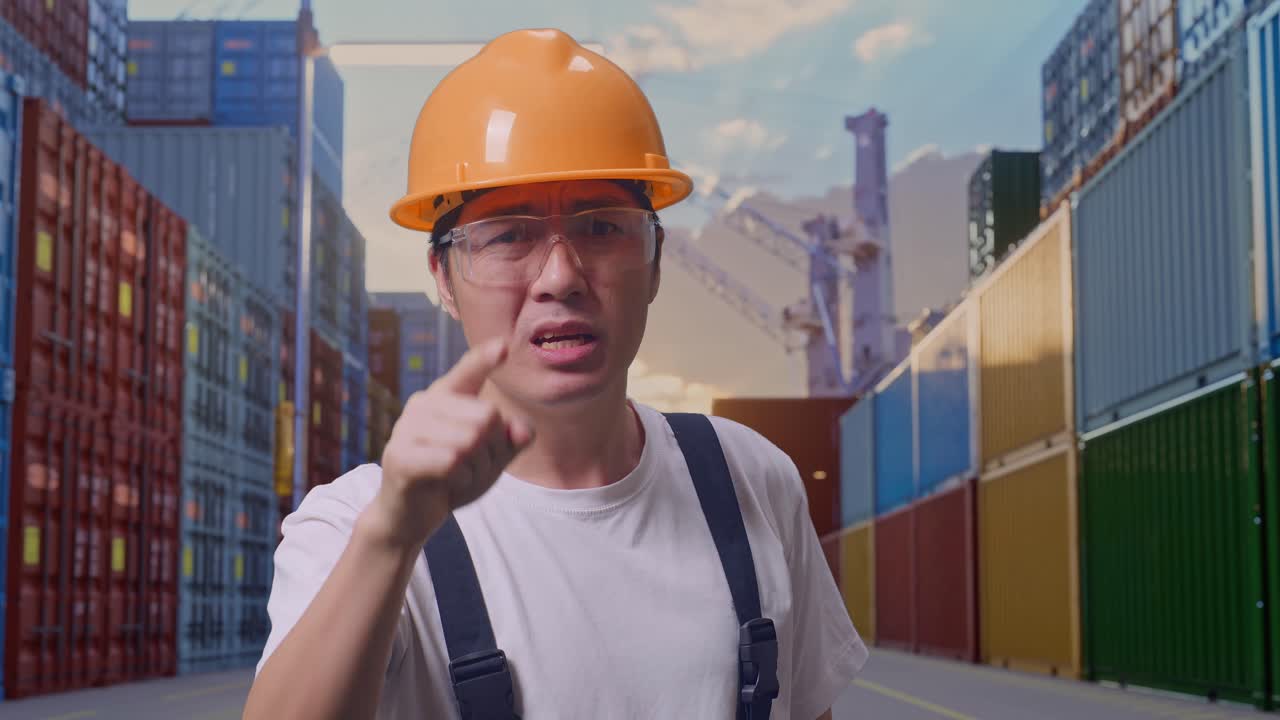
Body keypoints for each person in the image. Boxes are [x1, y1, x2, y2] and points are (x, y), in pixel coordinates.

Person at [244, 27, 867, 720]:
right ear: (443, 280)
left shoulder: (755, 480)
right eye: (509, 235)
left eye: (602, 227)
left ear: (656, 262)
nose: (561, 276)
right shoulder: (353, 525)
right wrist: (390, 539)